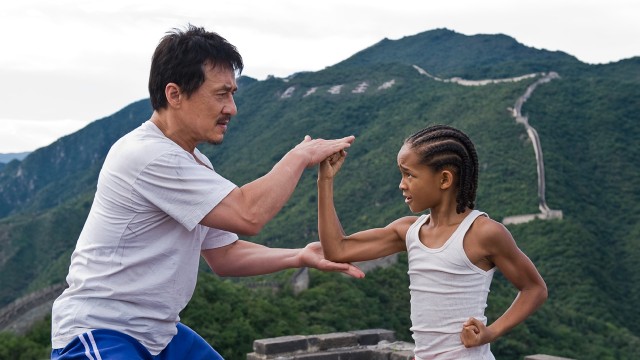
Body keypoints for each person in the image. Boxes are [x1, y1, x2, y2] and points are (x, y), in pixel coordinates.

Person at [50, 24, 364, 360]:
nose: (232, 108)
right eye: (221, 94)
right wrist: (300, 156)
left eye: (233, 94)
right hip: (102, 331)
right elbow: (248, 214)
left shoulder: (194, 163)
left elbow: (225, 256)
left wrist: (300, 256)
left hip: (159, 333)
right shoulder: (147, 155)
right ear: (175, 94)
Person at [317, 124, 548, 359]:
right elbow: (337, 249)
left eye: (409, 174)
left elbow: (534, 289)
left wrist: (490, 333)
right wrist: (325, 181)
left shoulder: (483, 233)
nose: (402, 183)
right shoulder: (409, 230)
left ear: (444, 179)